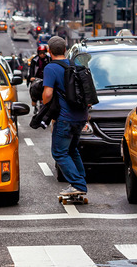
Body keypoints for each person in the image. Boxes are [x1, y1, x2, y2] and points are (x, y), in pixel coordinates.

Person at [42, 36, 88, 197]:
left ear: (49, 51)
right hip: (81, 116)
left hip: (65, 117)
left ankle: (78, 184)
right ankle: (79, 181)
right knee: (72, 149)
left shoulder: (51, 68)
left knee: (59, 152)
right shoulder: (75, 65)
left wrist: (43, 101)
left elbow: (47, 94)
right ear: (65, 50)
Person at [27, 45, 50, 113]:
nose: (42, 55)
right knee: (33, 90)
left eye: (43, 53)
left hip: (45, 79)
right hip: (36, 79)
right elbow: (31, 69)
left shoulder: (48, 59)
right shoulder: (34, 60)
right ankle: (34, 104)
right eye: (41, 53)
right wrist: (32, 77)